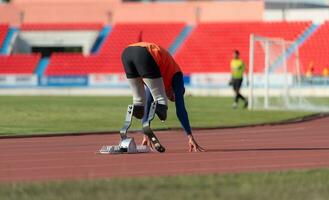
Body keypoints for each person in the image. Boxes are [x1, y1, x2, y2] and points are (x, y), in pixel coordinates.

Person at [121, 42, 205, 152]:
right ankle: (160, 109)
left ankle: (131, 118)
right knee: (161, 102)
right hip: (146, 53)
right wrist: (190, 136)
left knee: (139, 103)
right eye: (172, 97)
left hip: (127, 54)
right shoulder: (177, 76)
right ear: (176, 91)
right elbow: (181, 110)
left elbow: (148, 103)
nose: (170, 97)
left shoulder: (158, 81)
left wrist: (146, 132)